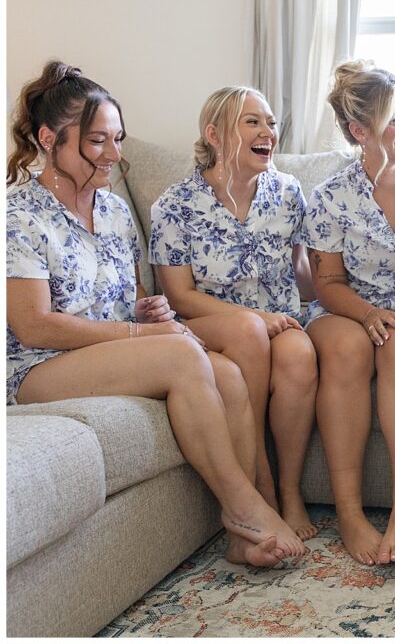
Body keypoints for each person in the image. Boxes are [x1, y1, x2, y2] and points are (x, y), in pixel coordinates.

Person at [6, 61, 306, 567]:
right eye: (98, 141)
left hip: (111, 350)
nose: (114, 154)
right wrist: (137, 331)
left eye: (118, 139)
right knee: (182, 356)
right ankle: (245, 509)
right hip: (35, 368)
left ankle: (240, 536)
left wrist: (149, 310)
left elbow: (136, 299)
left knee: (229, 374)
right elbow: (32, 325)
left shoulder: (115, 211)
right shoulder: (19, 216)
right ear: (48, 139)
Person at [149, 86, 318, 540]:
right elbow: (180, 295)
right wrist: (255, 318)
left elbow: (303, 275)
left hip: (279, 318)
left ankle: (289, 491)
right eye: (253, 122)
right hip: (209, 322)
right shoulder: (175, 205)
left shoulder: (287, 193)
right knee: (246, 328)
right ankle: (260, 486)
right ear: (215, 134)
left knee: (300, 354)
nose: (268, 132)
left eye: (271, 123)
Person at [301, 60, 395, 565]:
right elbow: (327, 282)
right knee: (344, 349)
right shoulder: (328, 197)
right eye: (394, 120)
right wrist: (366, 315)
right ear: (358, 131)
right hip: (347, 308)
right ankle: (349, 513)